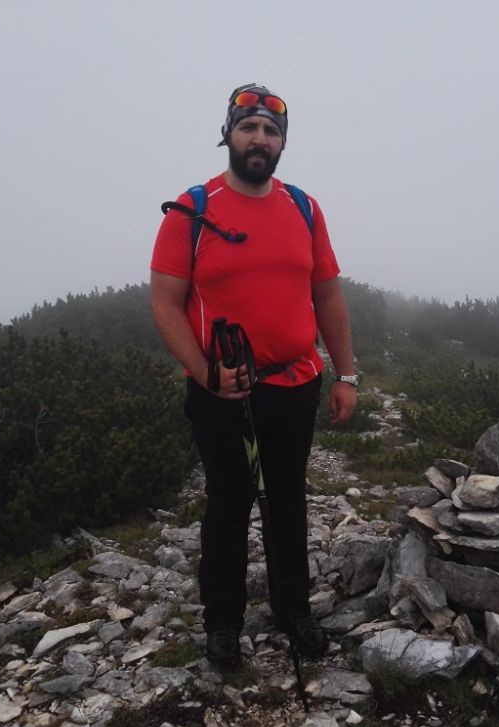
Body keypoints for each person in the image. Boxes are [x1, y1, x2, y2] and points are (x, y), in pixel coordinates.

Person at [150, 83, 357, 668]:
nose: (259, 139)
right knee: (230, 501)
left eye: (270, 130)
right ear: (229, 135)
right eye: (248, 128)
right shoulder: (192, 210)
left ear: (282, 143)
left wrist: (346, 374)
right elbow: (165, 303)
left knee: (288, 499)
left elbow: (327, 294)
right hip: (223, 390)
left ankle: (295, 611)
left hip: (296, 383)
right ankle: (223, 621)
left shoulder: (304, 208)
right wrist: (205, 374)